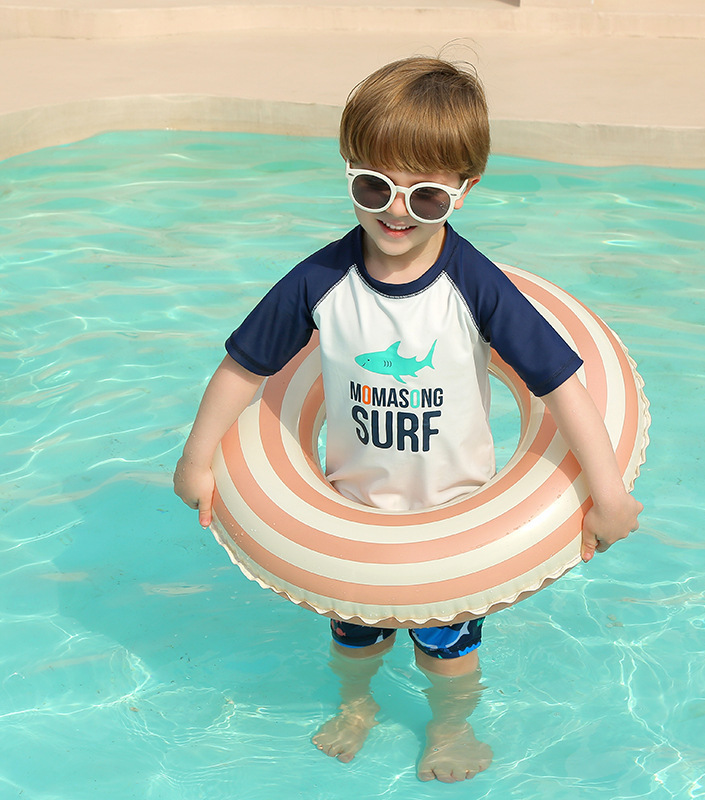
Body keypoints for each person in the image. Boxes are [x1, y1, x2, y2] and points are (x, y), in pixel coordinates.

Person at [174, 56, 642, 783]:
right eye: (373, 186)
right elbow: (244, 368)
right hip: (351, 518)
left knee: (449, 657)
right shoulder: (319, 281)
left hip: (457, 522)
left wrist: (607, 494)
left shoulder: (475, 286)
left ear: (465, 189)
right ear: (349, 171)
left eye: (426, 196)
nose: (396, 211)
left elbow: (560, 385)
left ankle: (449, 730)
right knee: (352, 642)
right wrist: (196, 459)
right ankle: (357, 706)